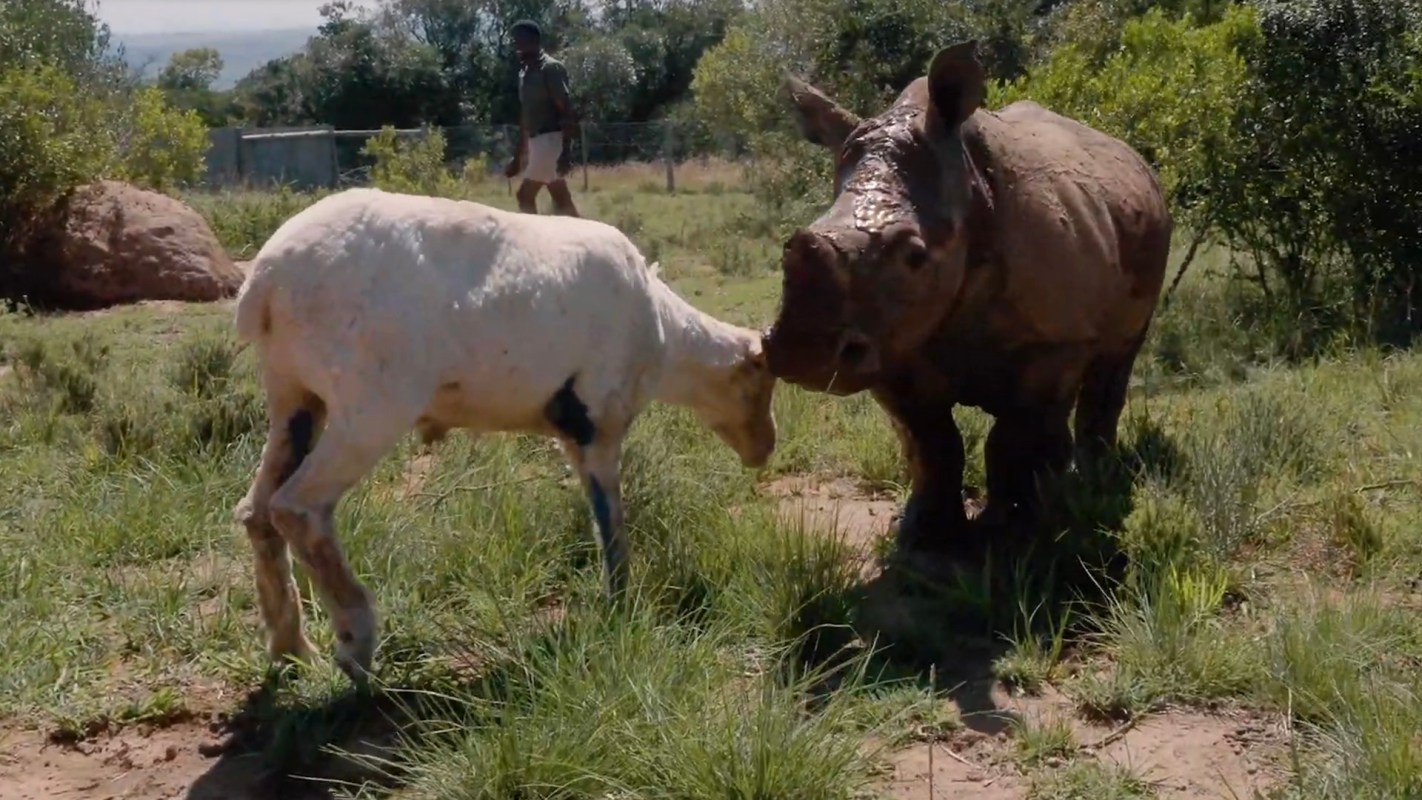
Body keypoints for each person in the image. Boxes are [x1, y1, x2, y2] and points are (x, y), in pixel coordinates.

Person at [504, 20, 580, 217]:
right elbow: (526, 117)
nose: (516, 45)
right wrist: (518, 156)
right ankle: (589, 238)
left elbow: (566, 110)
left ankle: (534, 241)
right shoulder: (525, 73)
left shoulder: (551, 68)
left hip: (550, 140)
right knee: (562, 200)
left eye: (519, 40)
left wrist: (566, 151)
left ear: (533, 40)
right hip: (537, 143)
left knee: (524, 196)